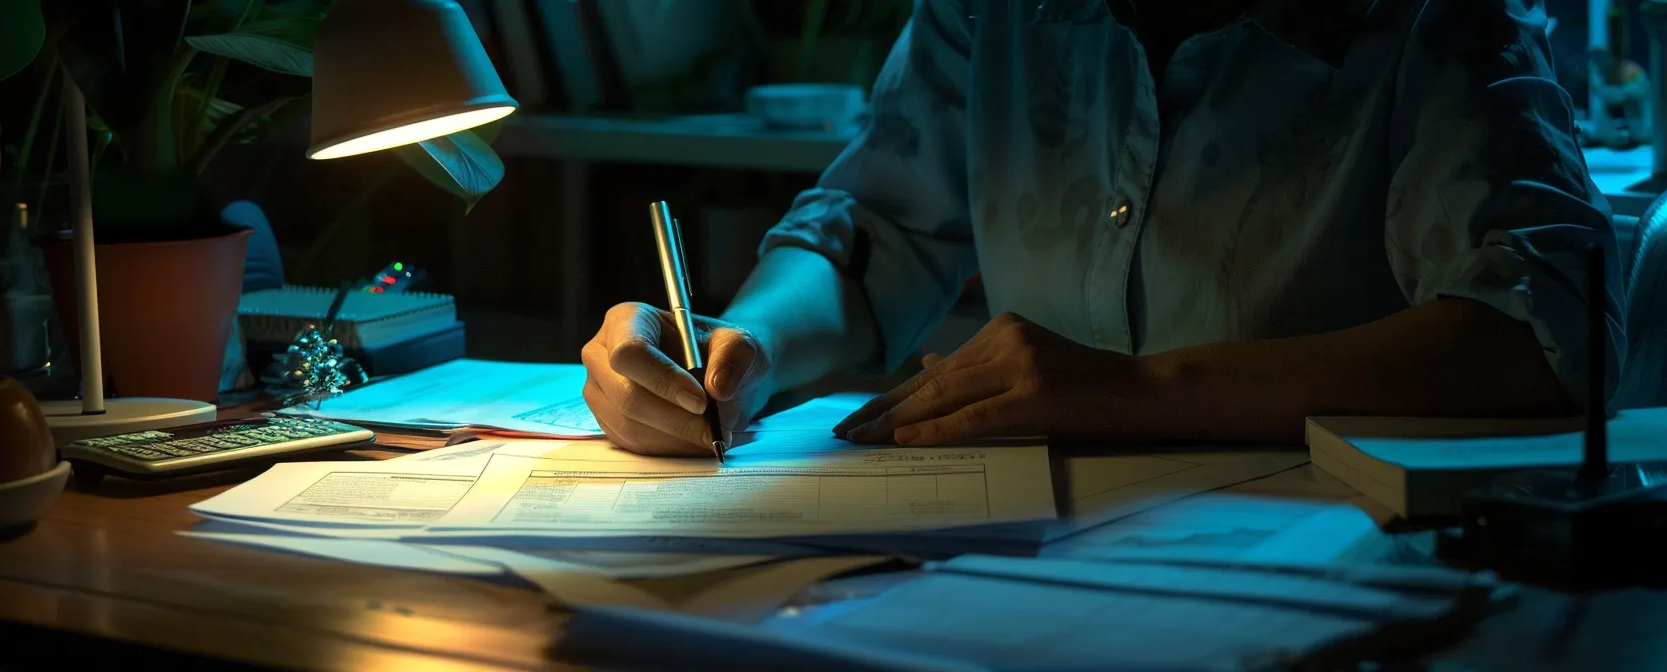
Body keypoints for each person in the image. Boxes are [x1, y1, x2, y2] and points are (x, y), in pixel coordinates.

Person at [581, 0, 1624, 456]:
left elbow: (1542, 334)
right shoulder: (995, 13)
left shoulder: (1423, 16)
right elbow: (873, 236)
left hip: (1320, 568)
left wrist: (1134, 394)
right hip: (1024, 569)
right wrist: (752, 343)